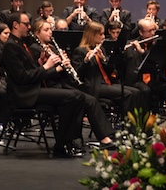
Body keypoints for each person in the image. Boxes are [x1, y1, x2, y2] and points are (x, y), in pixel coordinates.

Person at [0, 11, 86, 158]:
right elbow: (22, 77)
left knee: (78, 96)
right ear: (15, 25)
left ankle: (68, 141)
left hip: (33, 88)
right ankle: (62, 145)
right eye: (26, 24)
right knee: (73, 97)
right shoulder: (10, 46)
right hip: (24, 94)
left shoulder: (20, 43)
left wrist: (42, 64)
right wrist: (46, 66)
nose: (29, 27)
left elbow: (31, 71)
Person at [29, 20, 116, 149]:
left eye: (50, 29)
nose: (50, 32)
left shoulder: (52, 48)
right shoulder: (34, 49)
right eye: (46, 30)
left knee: (89, 100)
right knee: (82, 99)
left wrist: (66, 65)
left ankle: (104, 136)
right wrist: (56, 68)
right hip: (47, 88)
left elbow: (61, 73)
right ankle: (76, 140)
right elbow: (38, 73)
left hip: (61, 85)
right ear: (37, 33)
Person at [71, 21, 144, 116]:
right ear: (92, 35)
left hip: (107, 82)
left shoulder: (101, 49)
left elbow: (111, 70)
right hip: (94, 85)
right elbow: (77, 75)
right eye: (100, 34)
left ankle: (138, 122)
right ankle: (128, 123)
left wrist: (103, 59)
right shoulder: (80, 51)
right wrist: (86, 61)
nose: (103, 37)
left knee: (137, 92)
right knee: (128, 94)